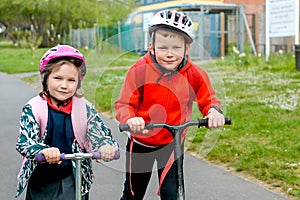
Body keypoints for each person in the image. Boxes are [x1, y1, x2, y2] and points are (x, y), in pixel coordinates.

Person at [114, 9, 225, 200]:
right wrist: (130, 119)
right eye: (163, 48)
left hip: (172, 144)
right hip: (141, 142)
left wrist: (214, 112)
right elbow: (124, 104)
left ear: (187, 48)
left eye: (176, 48)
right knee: (133, 194)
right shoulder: (139, 71)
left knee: (173, 195)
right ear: (152, 46)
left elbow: (209, 99)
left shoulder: (195, 75)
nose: (170, 54)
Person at [15, 45, 119, 200]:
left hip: (73, 176)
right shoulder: (34, 108)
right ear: (45, 79)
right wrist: (42, 150)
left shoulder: (84, 108)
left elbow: (100, 133)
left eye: (71, 80)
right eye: (58, 78)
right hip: (42, 181)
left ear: (78, 83)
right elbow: (24, 142)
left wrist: (106, 146)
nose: (64, 85)